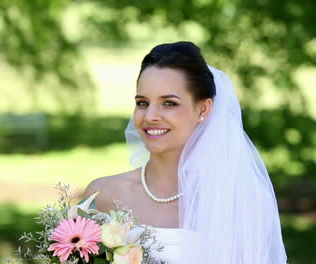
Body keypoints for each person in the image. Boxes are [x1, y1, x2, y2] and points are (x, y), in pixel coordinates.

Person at [83, 41, 287, 263]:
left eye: (169, 103)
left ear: (203, 109)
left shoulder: (237, 202)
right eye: (142, 103)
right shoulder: (103, 195)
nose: (150, 116)